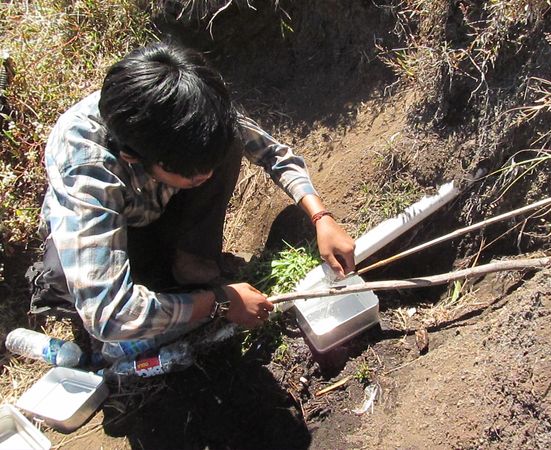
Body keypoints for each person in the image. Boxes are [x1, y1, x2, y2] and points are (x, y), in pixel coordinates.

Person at [29, 40, 355, 358]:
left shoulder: (193, 104)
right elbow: (109, 315)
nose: (208, 178)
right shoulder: (87, 164)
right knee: (66, 278)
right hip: (116, 233)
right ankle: (158, 275)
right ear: (132, 157)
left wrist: (320, 217)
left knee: (226, 143)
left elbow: (273, 153)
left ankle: (191, 263)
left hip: (160, 206)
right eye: (194, 176)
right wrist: (219, 303)